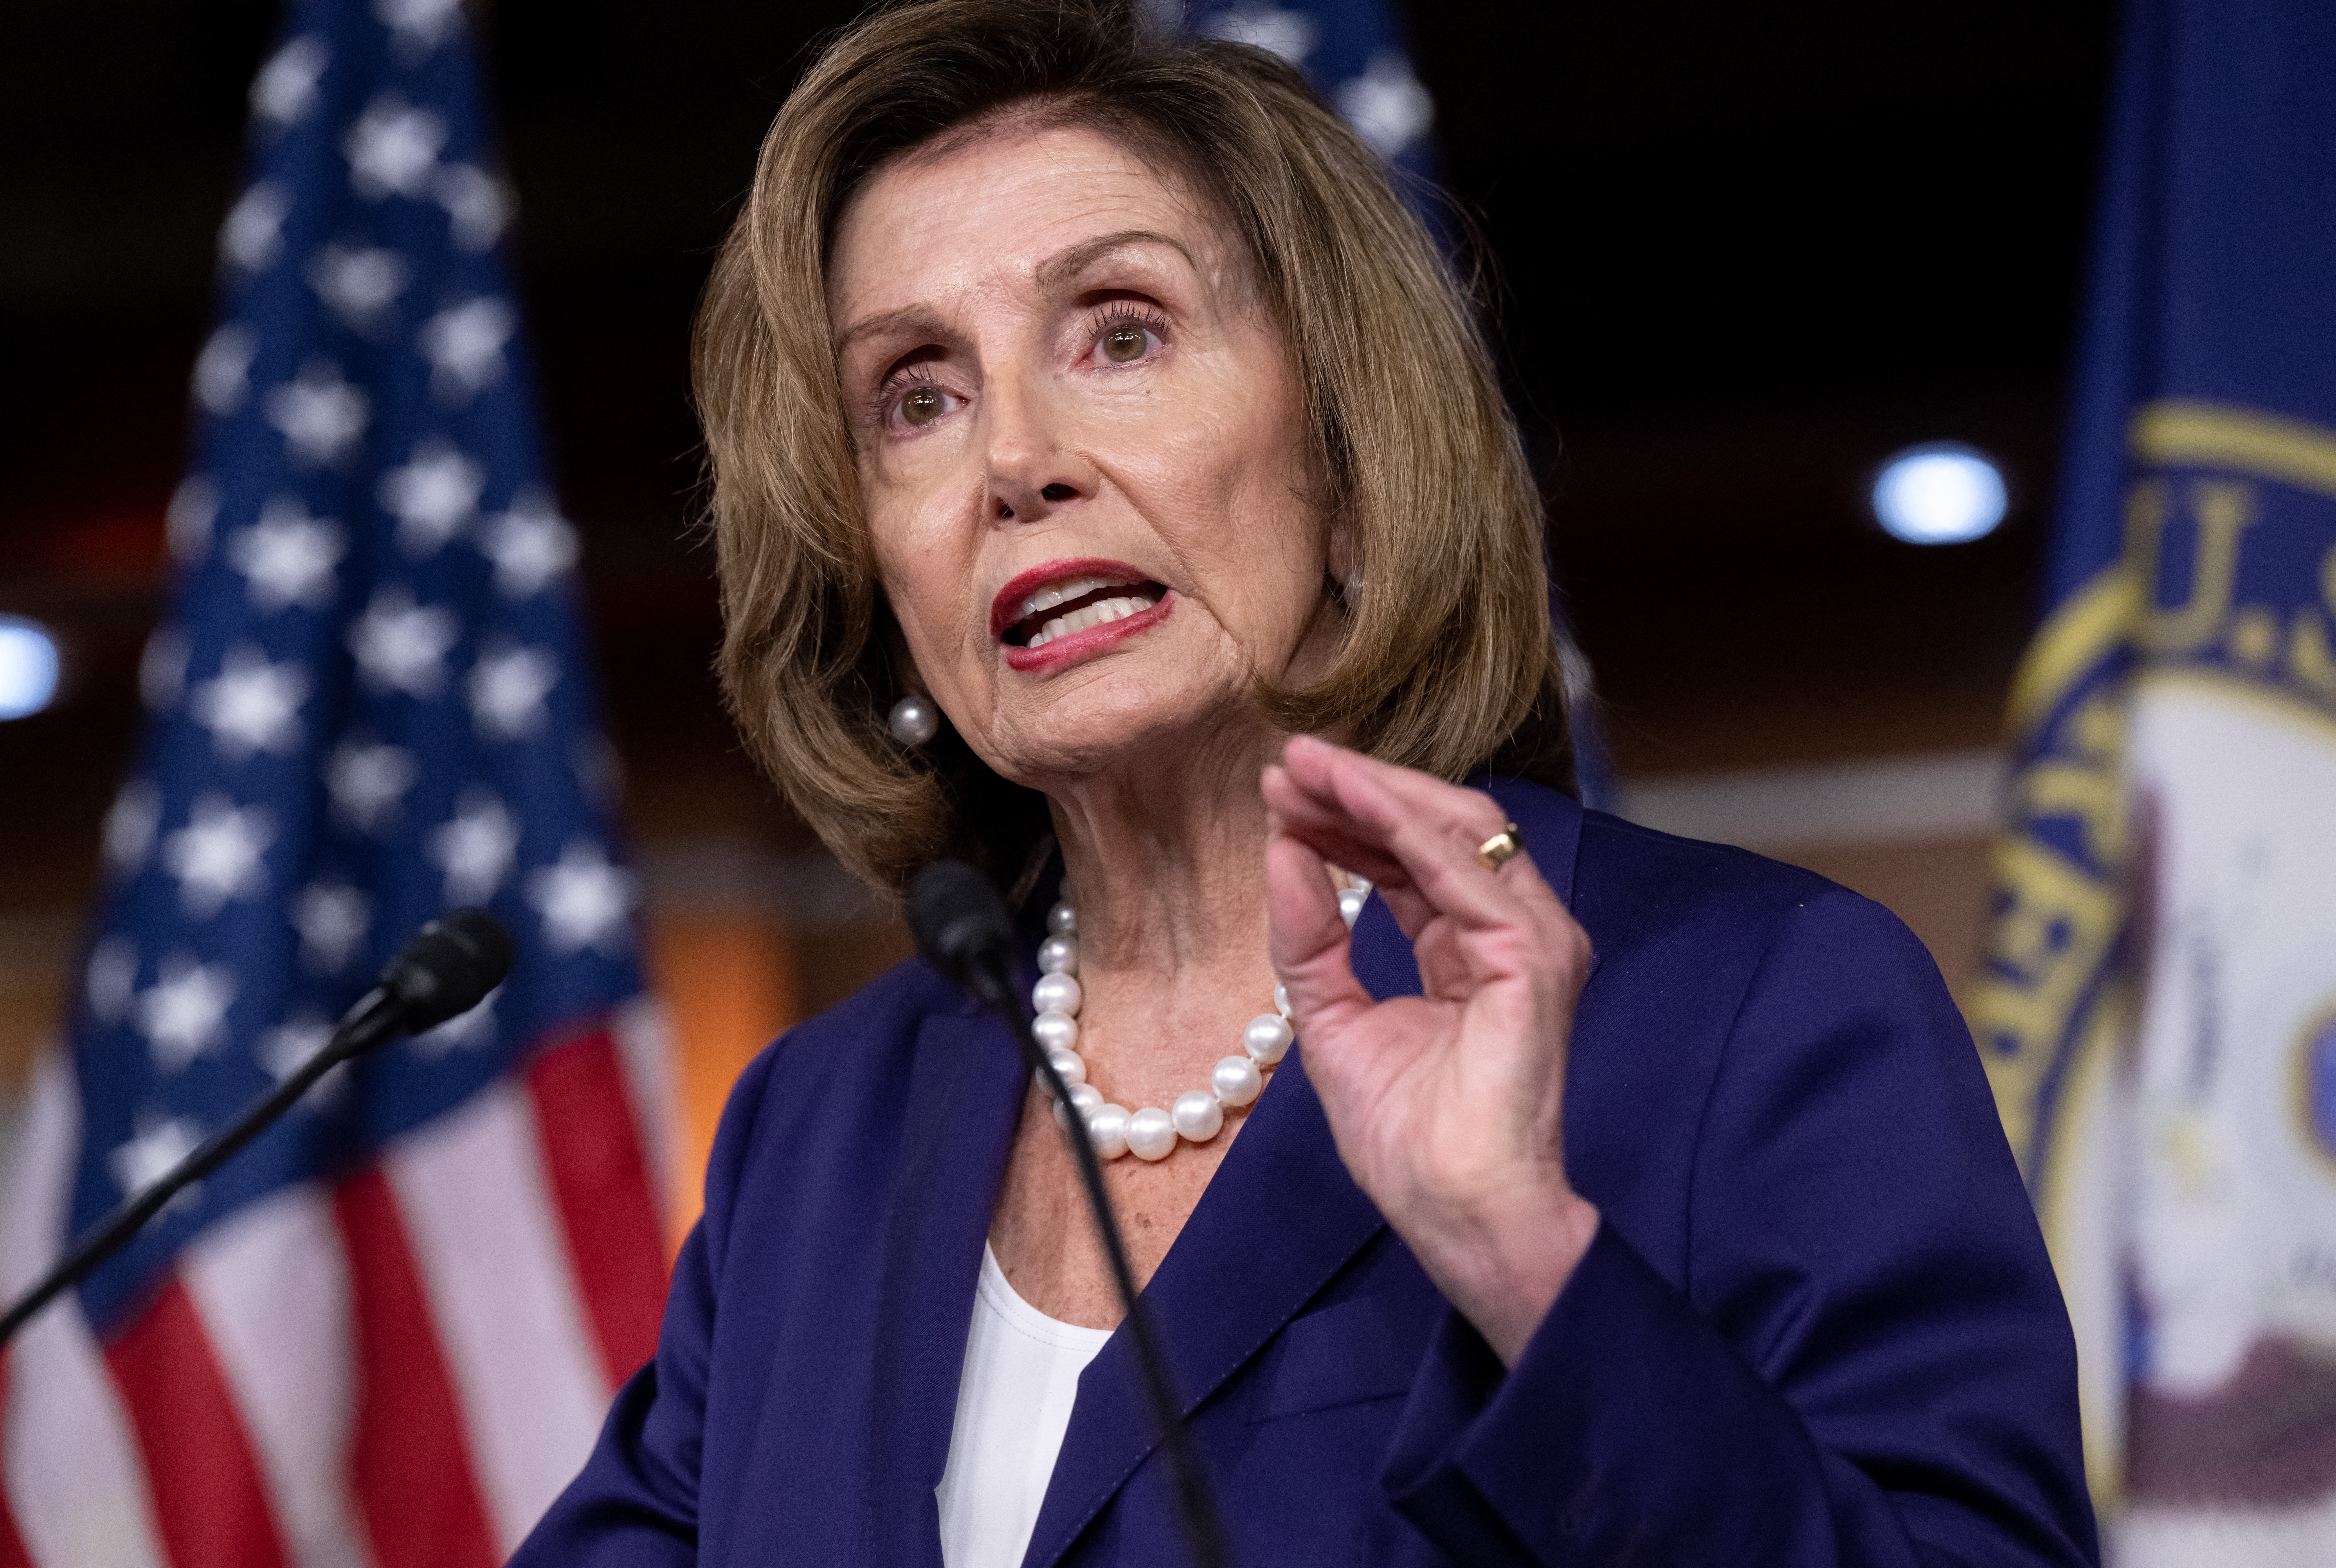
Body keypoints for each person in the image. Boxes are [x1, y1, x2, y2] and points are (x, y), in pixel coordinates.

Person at [513, 2, 2098, 1563]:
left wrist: (1524, 1263)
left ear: (1345, 462)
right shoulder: (824, 1126)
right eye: (916, 398)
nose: (1014, 459)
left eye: (1119, 333)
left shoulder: (1747, 1010)